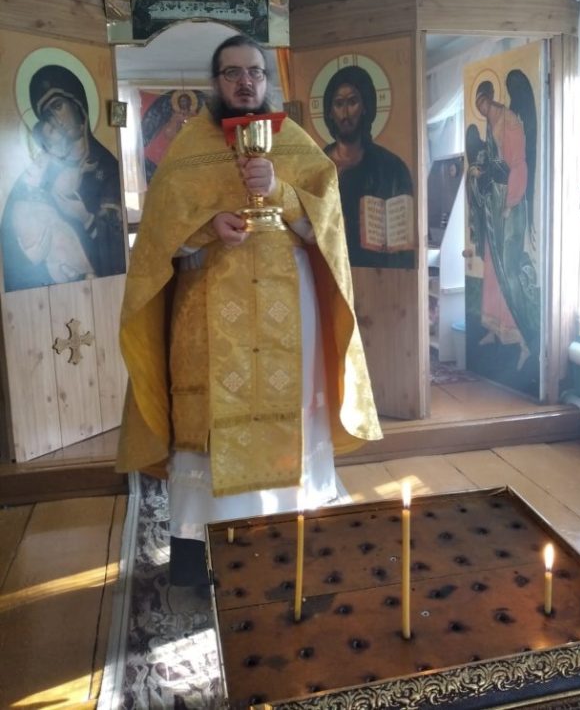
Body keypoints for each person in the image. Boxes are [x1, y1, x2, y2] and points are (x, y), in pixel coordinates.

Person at [116, 34, 383, 591]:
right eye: (232, 72)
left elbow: (327, 229)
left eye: (255, 72)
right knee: (210, 428)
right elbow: (158, 242)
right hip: (208, 314)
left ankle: (290, 547)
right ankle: (197, 560)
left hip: (290, 312)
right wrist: (205, 226)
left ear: (266, 81)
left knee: (290, 415)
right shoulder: (188, 149)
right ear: (216, 83)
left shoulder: (295, 145)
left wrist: (281, 190)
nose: (245, 82)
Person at [0, 65, 126, 292]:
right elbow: (14, 248)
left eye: (58, 106)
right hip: (49, 294)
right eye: (47, 115)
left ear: (78, 105)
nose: (55, 120)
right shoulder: (37, 175)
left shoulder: (107, 169)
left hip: (103, 290)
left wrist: (86, 219)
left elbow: (118, 247)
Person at [467, 74, 540, 371]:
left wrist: (510, 202)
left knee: (508, 271)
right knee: (492, 268)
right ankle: (495, 328)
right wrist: (477, 170)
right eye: (478, 106)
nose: (481, 110)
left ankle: (523, 339)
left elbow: (518, 165)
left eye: (483, 103)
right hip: (493, 206)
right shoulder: (490, 123)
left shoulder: (510, 121)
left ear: (490, 98)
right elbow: (492, 163)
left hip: (510, 206)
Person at [322, 65, 415, 268]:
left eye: (352, 102)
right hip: (327, 273)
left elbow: (403, 249)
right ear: (330, 111)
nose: (345, 113)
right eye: (338, 104)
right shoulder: (316, 166)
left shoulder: (391, 168)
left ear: (365, 107)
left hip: (375, 277)